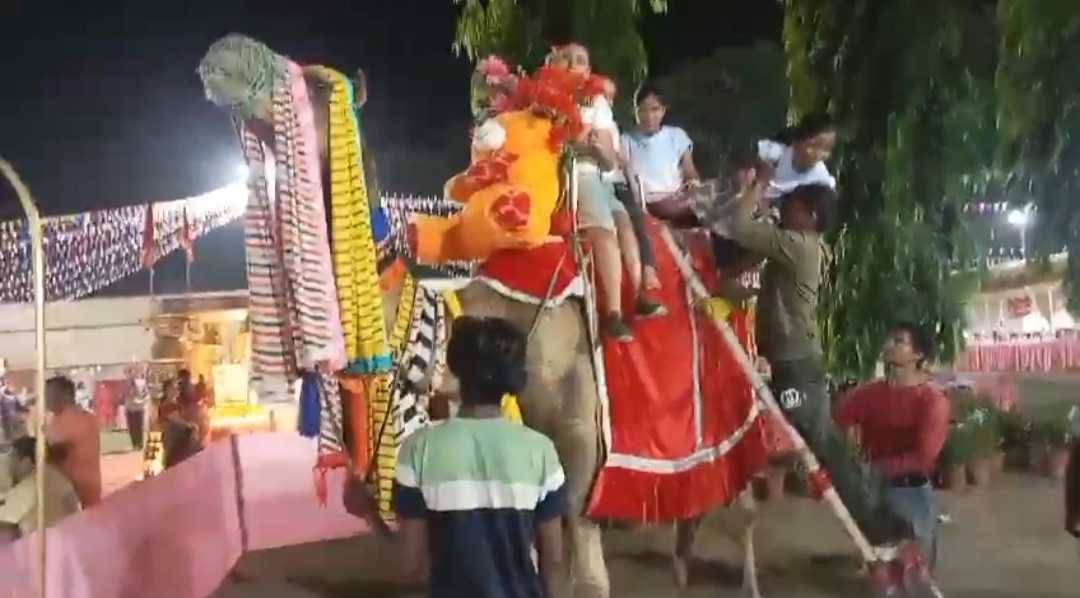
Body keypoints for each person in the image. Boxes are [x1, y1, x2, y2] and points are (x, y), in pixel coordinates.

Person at [728, 181, 918, 554]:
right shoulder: (798, 247)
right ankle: (882, 518)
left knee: (825, 445)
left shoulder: (799, 244)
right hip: (794, 360)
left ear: (810, 216)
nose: (784, 209)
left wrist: (756, 185)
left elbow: (739, 228)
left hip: (795, 363)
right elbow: (761, 272)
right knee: (826, 443)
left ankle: (881, 524)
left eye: (792, 205)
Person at [344, 316, 568, 598]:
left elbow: (412, 567)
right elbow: (553, 563)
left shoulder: (419, 448)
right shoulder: (541, 451)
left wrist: (370, 513)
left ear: (456, 368)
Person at [552, 43, 664, 341]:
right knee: (604, 232)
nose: (573, 65)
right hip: (578, 175)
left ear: (589, 70)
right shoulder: (547, 98)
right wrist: (583, 140)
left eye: (580, 61)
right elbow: (572, 140)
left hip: (601, 176)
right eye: (567, 59)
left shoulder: (596, 101)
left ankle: (640, 294)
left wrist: (584, 140)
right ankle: (613, 313)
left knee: (625, 224)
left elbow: (605, 154)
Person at [834, 323, 950, 570]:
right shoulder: (868, 394)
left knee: (916, 573)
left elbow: (923, 457)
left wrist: (873, 468)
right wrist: (847, 460)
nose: (889, 345)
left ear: (918, 354)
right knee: (880, 567)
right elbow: (838, 426)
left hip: (910, 491)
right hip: (871, 489)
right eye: (889, 340)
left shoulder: (932, 401)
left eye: (899, 341)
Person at [621, 83, 703, 226]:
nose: (649, 116)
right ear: (636, 112)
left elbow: (689, 168)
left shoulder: (676, 135)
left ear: (663, 111)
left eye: (654, 110)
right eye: (643, 110)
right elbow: (627, 175)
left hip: (679, 196)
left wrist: (693, 182)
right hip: (651, 202)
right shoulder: (626, 140)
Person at [0, 436, 80, 541]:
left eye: (13, 459)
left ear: (26, 462)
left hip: (42, 544)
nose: (10, 465)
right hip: (69, 539)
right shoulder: (57, 477)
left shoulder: (31, 485)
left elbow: (5, 517)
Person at [44, 376, 102, 508]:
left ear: (63, 396)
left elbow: (50, 451)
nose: (45, 399)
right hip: (89, 488)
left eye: (48, 394)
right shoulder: (86, 417)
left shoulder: (65, 420)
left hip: (74, 492)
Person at [756, 112, 837, 203]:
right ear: (796, 142)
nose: (820, 154)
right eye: (813, 145)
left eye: (827, 149)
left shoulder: (820, 178)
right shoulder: (776, 153)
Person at [123, 376, 148, 451]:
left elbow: (146, 393)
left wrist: (142, 399)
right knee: (131, 427)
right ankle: (134, 444)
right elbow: (123, 396)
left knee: (139, 426)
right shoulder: (125, 386)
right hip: (130, 408)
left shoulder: (141, 383)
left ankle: (140, 444)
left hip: (139, 407)